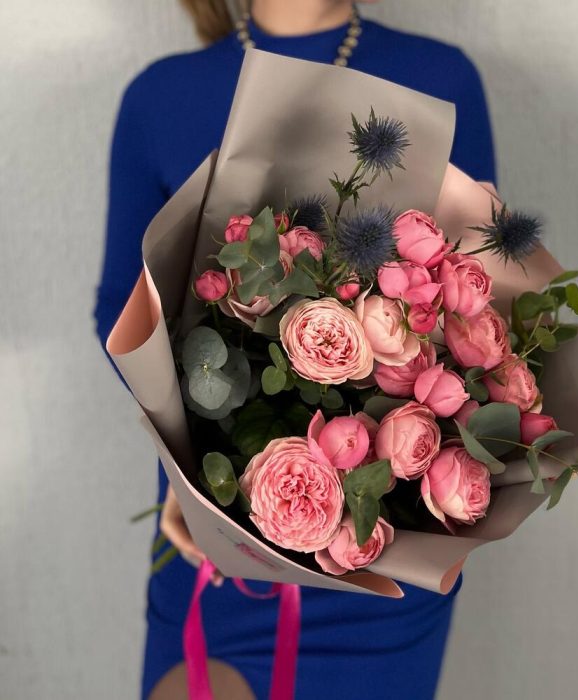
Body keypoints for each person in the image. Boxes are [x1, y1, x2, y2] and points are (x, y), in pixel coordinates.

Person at [94, 1, 496, 697]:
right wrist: (194, 470)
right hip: (217, 538)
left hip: (382, 551)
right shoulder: (159, 97)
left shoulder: (441, 78)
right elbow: (120, 313)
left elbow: (476, 307)